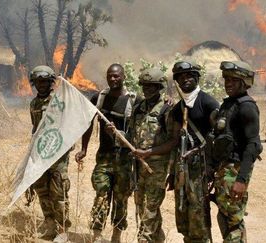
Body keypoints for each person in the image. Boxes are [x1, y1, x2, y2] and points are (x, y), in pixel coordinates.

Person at [75, 63, 140, 242]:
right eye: (110, 76)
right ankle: (96, 235)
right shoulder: (99, 97)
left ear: (123, 77)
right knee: (101, 194)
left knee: (121, 198)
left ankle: (116, 235)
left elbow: (146, 122)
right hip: (104, 157)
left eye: (116, 76)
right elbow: (88, 123)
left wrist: (167, 102)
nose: (113, 79)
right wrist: (84, 148)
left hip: (124, 158)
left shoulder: (134, 100)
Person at [211, 60, 263, 242]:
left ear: (244, 82)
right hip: (224, 170)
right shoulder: (228, 105)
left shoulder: (246, 106)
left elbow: (253, 144)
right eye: (226, 79)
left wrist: (241, 180)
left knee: (233, 221)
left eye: (233, 80)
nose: (228, 83)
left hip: (235, 171)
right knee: (224, 217)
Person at [126, 68, 179, 243]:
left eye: (152, 86)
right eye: (145, 86)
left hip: (157, 168)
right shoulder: (138, 108)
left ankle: (145, 239)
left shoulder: (167, 108)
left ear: (159, 87)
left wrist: (149, 152)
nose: (148, 89)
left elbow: (173, 141)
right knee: (141, 206)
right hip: (139, 167)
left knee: (151, 207)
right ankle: (158, 238)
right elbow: (131, 134)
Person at [169, 61, 220, 243]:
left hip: (201, 168)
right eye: (181, 77)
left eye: (190, 75)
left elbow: (220, 138)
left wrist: (212, 168)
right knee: (183, 213)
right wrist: (173, 173)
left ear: (197, 78)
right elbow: (175, 142)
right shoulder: (178, 108)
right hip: (183, 170)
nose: (186, 79)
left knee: (199, 214)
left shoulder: (207, 102)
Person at [28, 65, 72, 239]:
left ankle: (62, 231)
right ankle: (50, 224)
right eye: (38, 82)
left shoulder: (58, 101)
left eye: (45, 81)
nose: (42, 85)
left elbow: (68, 126)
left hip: (58, 156)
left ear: (51, 82)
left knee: (59, 193)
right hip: (40, 155)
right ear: (34, 83)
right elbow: (35, 129)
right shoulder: (34, 103)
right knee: (42, 190)